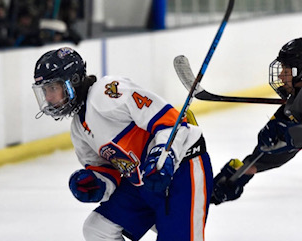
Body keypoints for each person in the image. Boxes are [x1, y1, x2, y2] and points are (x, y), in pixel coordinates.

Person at [32, 47, 213, 241]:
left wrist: (164, 155)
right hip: (143, 185)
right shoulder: (78, 129)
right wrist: (96, 184)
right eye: (45, 91)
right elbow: (108, 172)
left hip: (181, 172)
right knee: (98, 229)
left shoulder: (108, 92)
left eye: (53, 88)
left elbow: (171, 122)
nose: (49, 98)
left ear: (73, 81)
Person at [211, 38, 302, 205]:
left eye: (286, 71)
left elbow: (296, 137)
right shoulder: (295, 104)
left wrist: (292, 133)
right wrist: (242, 173)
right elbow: (275, 149)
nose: (281, 76)